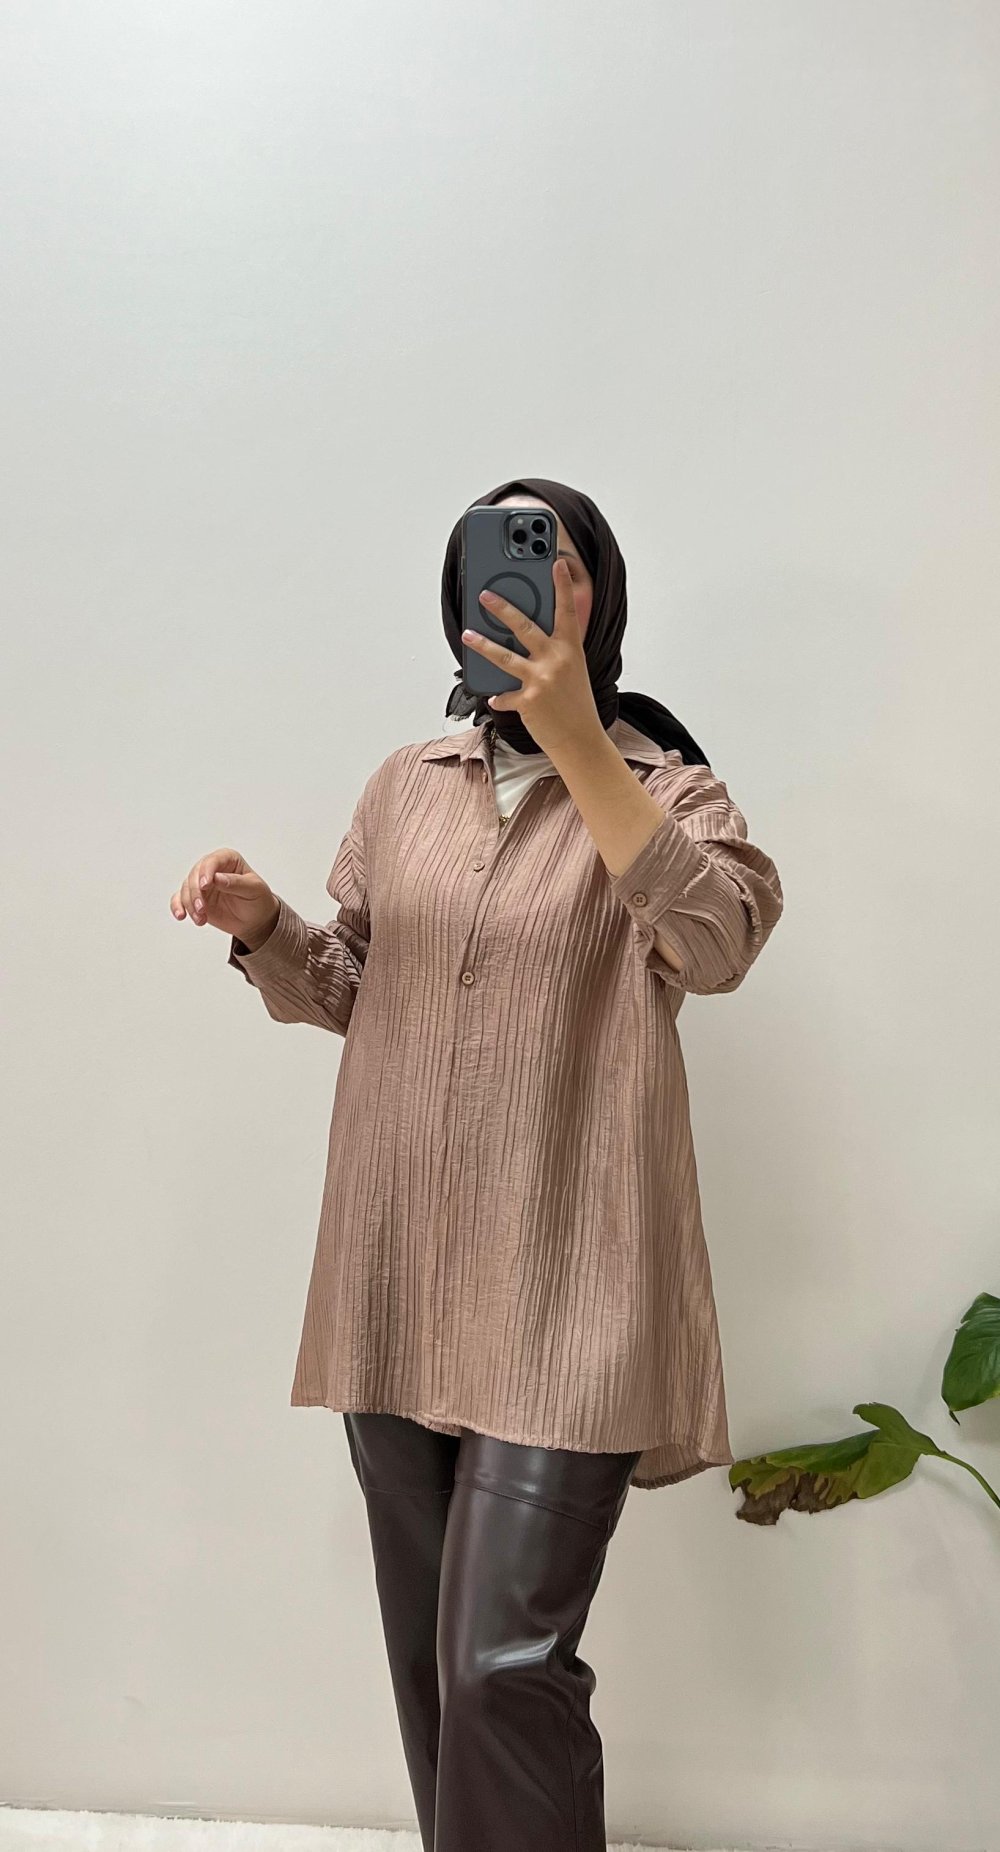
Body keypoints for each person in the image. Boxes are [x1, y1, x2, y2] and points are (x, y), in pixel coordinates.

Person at [170, 476, 784, 1851]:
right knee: (433, 1666)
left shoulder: (671, 793)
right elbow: (354, 989)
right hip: (398, 1272)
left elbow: (718, 946)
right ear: (457, 599)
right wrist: (265, 926)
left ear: (595, 594)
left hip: (572, 1284)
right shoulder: (408, 787)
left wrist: (579, 745)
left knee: (504, 1665)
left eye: (553, 557)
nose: (521, 580)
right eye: (493, 559)